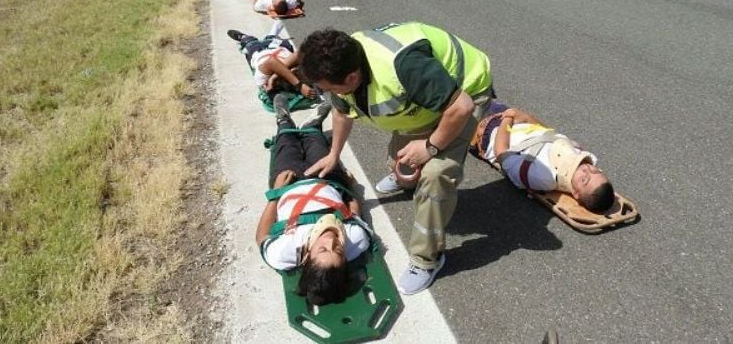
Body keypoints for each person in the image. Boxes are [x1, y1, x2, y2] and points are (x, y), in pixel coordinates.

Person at [298, 22, 493, 295]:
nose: (326, 93)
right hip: (426, 100)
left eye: (328, 88)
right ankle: (409, 179)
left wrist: (430, 147)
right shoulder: (342, 64)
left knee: (435, 175)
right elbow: (342, 112)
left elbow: (461, 107)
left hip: (466, 92)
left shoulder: (402, 69)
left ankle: (427, 260)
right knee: (402, 165)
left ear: (352, 78)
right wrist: (333, 154)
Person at [256, 96, 372, 305]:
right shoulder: (356, 241)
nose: (331, 241)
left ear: (307, 256)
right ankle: (313, 125)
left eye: (323, 249)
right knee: (317, 145)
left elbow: (261, 236)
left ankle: (284, 120)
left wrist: (275, 194)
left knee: (286, 147)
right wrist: (351, 188)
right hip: (326, 180)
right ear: (345, 258)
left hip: (289, 185)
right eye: (337, 250)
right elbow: (354, 210)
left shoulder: (283, 253)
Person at [469, 100, 615, 213]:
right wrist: (524, 116)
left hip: (484, 131)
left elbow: (501, 152)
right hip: (510, 118)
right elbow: (549, 133)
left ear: (576, 193)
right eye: (594, 171)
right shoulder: (583, 155)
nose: (586, 170)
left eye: (584, 180)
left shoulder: (542, 177)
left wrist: (508, 118)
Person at [225, 24, 318, 100]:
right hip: (279, 47)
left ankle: (243, 37)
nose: (296, 69)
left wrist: (298, 85)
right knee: (272, 38)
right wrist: (279, 75)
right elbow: (300, 53)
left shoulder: (262, 79)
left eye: (293, 73)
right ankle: (274, 30)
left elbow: (272, 62)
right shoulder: (296, 72)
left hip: (259, 51)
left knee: (249, 41)